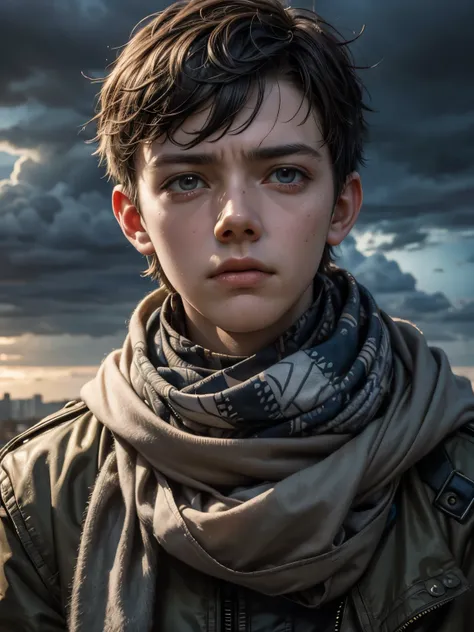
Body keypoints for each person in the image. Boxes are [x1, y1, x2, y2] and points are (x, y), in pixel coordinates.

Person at [1, 0, 473, 630]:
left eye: (284, 173)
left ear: (341, 206)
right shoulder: (39, 493)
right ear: (134, 219)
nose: (236, 217)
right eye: (187, 181)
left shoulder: (458, 475)